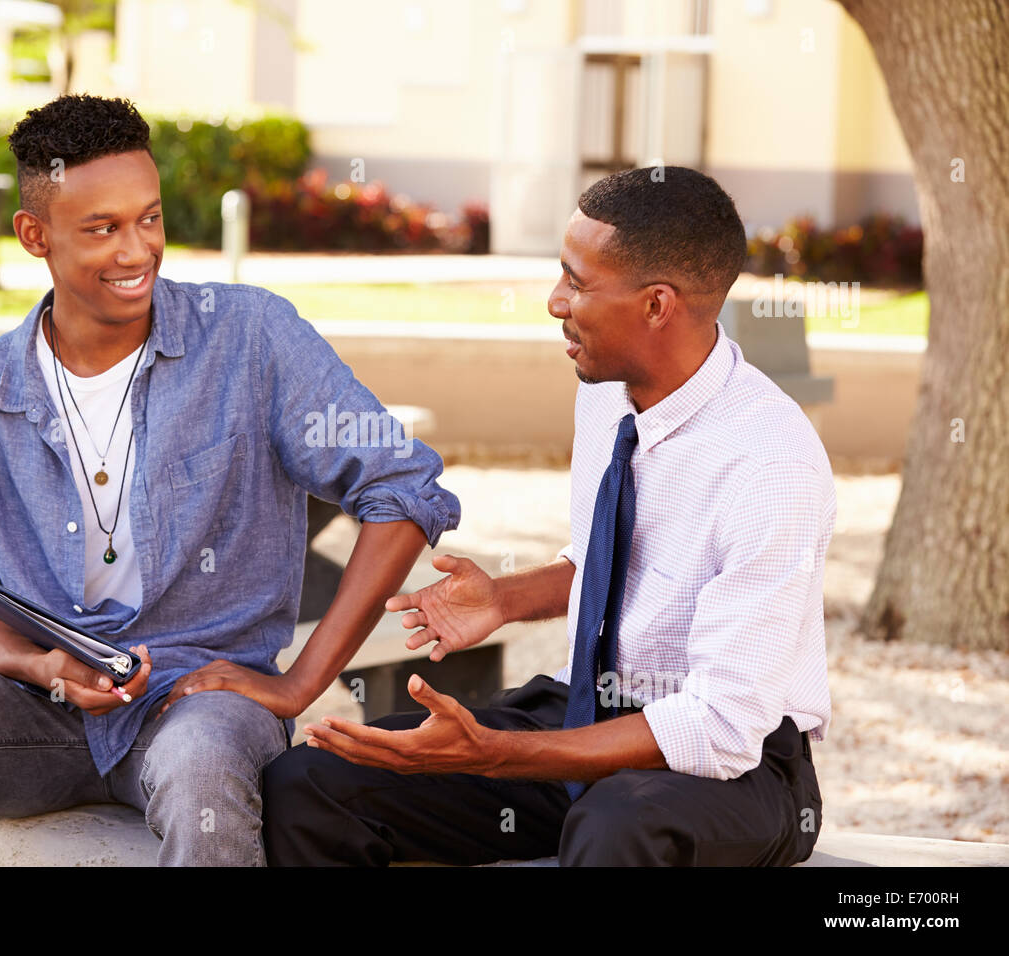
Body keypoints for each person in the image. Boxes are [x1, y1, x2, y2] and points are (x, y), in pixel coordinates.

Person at [0, 94, 460, 866]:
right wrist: (41, 664)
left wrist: (299, 683)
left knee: (200, 773)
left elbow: (401, 486)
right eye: (102, 229)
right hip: (35, 710)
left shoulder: (251, 337)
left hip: (203, 700)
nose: (136, 251)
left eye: (148, 219)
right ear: (34, 235)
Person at [261, 166, 835, 867]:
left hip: (732, 766)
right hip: (585, 713)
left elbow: (721, 725)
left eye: (578, 283)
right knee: (310, 783)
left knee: (617, 827)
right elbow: (611, 560)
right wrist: (504, 599)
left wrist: (500, 755)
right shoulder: (606, 390)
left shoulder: (770, 465)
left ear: (658, 305)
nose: (555, 302)